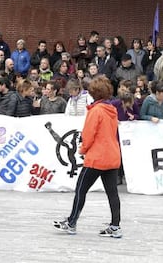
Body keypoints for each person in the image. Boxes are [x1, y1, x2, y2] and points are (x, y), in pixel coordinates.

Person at [53, 75, 122, 238]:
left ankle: (71, 222)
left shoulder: (95, 110)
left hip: (97, 158)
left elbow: (88, 135)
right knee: (112, 193)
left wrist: (83, 150)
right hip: (112, 156)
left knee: (81, 190)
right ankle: (115, 226)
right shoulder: (112, 110)